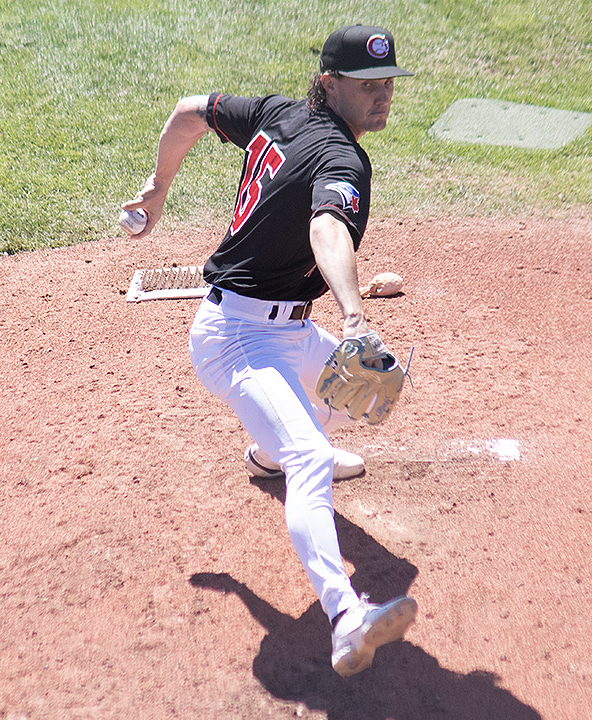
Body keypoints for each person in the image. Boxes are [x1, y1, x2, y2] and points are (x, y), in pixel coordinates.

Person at [122, 24, 417, 677]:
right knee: (311, 456)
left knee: (363, 395)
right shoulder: (343, 158)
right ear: (329, 83)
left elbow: (189, 111)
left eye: (388, 83)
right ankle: (345, 617)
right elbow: (326, 227)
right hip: (236, 340)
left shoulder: (275, 113)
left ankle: (266, 452)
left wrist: (159, 185)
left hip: (287, 334)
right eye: (367, 85)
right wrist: (355, 315)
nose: (382, 96)